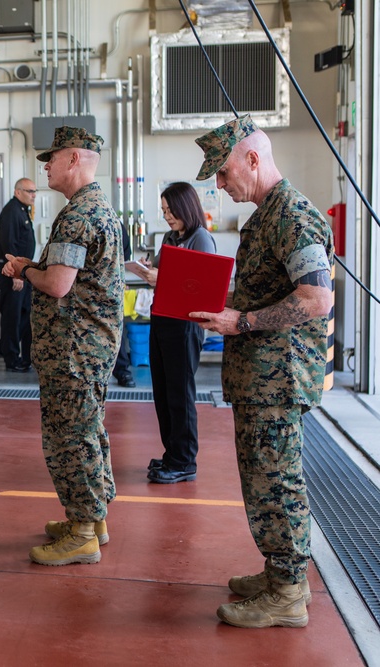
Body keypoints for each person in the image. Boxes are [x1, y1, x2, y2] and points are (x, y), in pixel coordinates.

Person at [189, 115, 332, 629]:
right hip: (260, 375)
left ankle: (290, 592)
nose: (220, 185)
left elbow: (315, 300)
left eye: (223, 173)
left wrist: (241, 321)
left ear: (253, 157)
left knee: (277, 479)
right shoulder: (267, 215)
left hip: (279, 376)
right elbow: (261, 293)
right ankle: (280, 574)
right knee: (261, 478)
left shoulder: (293, 215)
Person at [3, 126, 123, 567]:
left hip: (74, 350)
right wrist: (34, 264)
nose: (45, 167)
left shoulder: (77, 216)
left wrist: (26, 272)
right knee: (89, 431)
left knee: (71, 437)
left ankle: (84, 531)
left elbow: (57, 284)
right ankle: (92, 519)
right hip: (89, 346)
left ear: (74, 159)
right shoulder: (98, 208)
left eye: (51, 159)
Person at [127, 182, 216, 483]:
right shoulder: (169, 237)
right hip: (162, 319)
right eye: (163, 211)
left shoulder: (201, 238)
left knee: (180, 393)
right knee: (163, 392)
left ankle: (185, 461)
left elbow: (200, 286)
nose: (167, 216)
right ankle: (172, 453)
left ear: (186, 208)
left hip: (185, 325)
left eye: (171, 210)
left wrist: (161, 276)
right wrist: (149, 270)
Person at [0, 178, 36, 372]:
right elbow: (9, 245)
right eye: (30, 191)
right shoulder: (11, 212)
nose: (33, 195)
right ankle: (11, 358)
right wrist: (17, 275)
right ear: (18, 192)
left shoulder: (22, 210)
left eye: (35, 191)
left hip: (23, 272)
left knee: (25, 314)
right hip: (11, 271)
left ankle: (14, 352)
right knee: (12, 315)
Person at [110, 220, 136, 388]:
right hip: (84, 294)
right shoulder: (77, 220)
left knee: (117, 331)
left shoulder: (116, 225)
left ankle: (122, 371)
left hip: (112, 291)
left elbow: (125, 257)